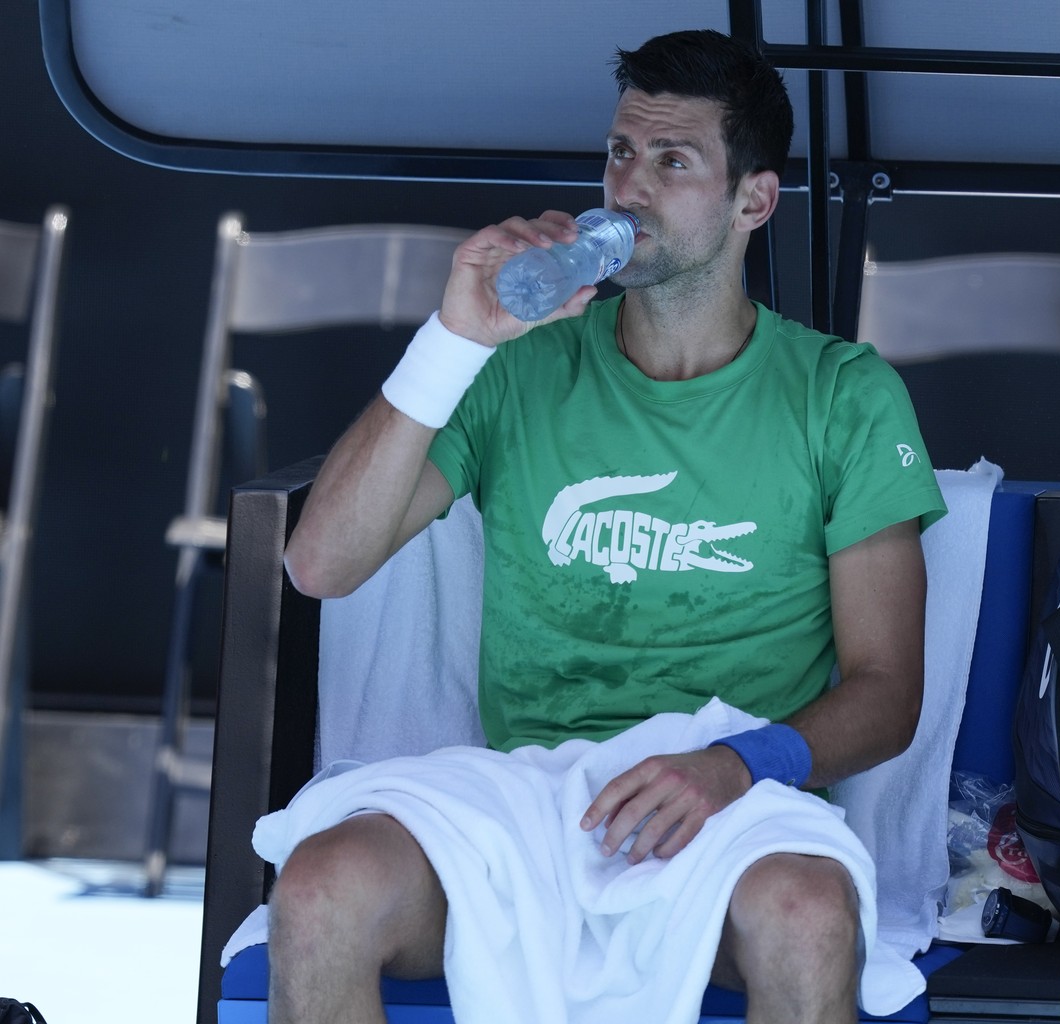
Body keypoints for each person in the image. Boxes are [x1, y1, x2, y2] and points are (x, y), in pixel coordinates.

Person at [270, 28, 946, 1024]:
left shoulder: (841, 394)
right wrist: (454, 337)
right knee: (320, 888)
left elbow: (887, 694)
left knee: (806, 912)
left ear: (752, 200)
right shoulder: (522, 362)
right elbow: (319, 563)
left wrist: (734, 765)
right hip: (529, 797)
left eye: (673, 162)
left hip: (738, 802)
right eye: (621, 153)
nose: (629, 188)